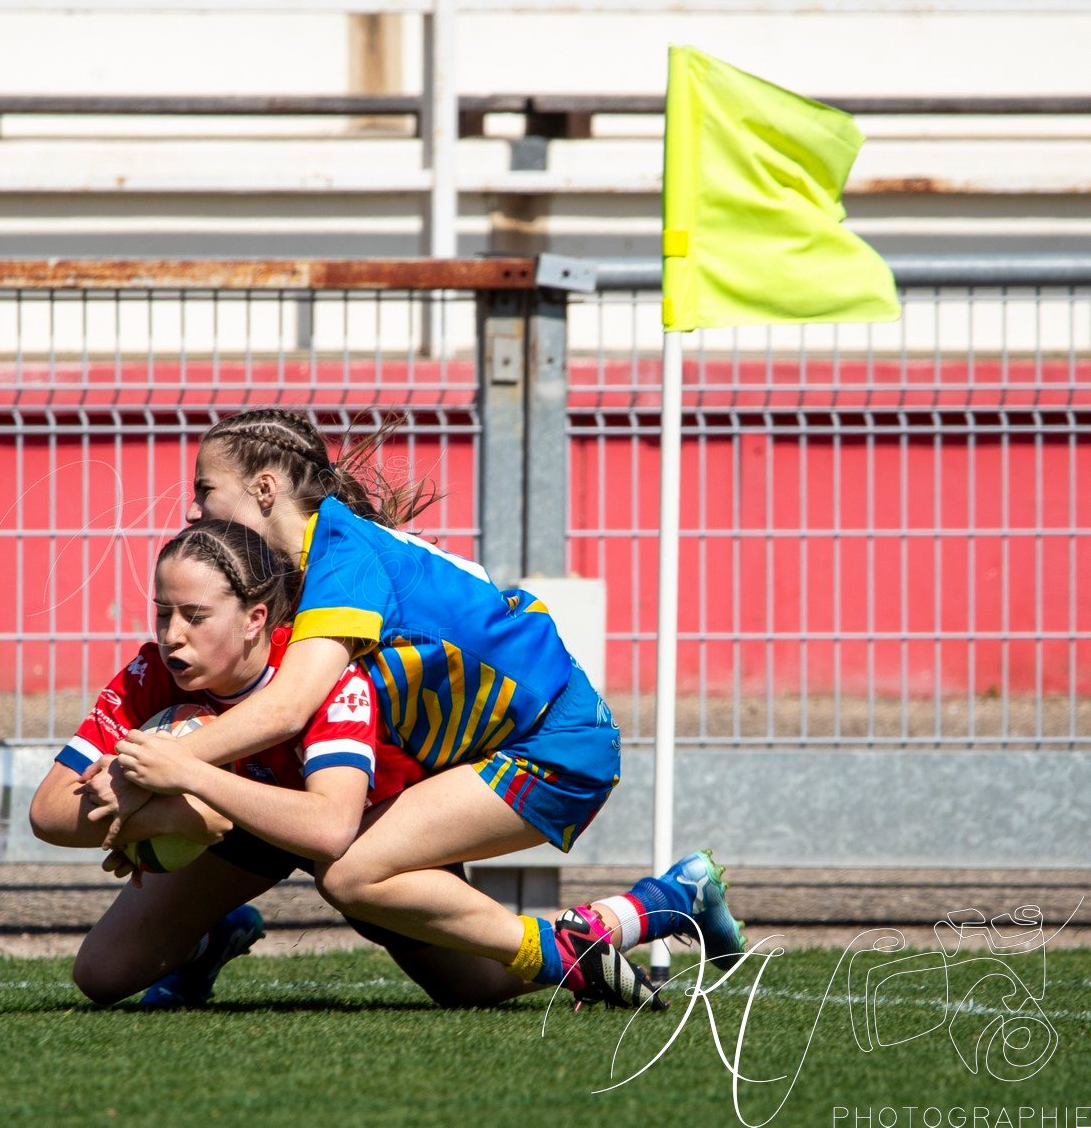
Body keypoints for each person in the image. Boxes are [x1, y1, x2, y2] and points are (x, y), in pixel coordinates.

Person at [96, 408, 747, 1008]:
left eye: (205, 488)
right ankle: (661, 903)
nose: (190, 508)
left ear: (263, 489)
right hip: (391, 772)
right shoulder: (294, 566)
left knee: (354, 877)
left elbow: (286, 709)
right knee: (475, 985)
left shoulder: (342, 557)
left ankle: (588, 940)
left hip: (547, 745)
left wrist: (156, 766)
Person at [29, 518, 426, 1007]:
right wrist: (173, 818)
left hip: (364, 830)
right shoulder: (151, 673)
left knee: (477, 987)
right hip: (238, 831)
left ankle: (548, 937)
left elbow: (329, 829)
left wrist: (189, 778)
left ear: (254, 619)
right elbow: (46, 812)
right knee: (101, 975)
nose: (172, 635)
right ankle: (211, 941)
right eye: (162, 613)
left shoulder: (315, 671)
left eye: (195, 616)